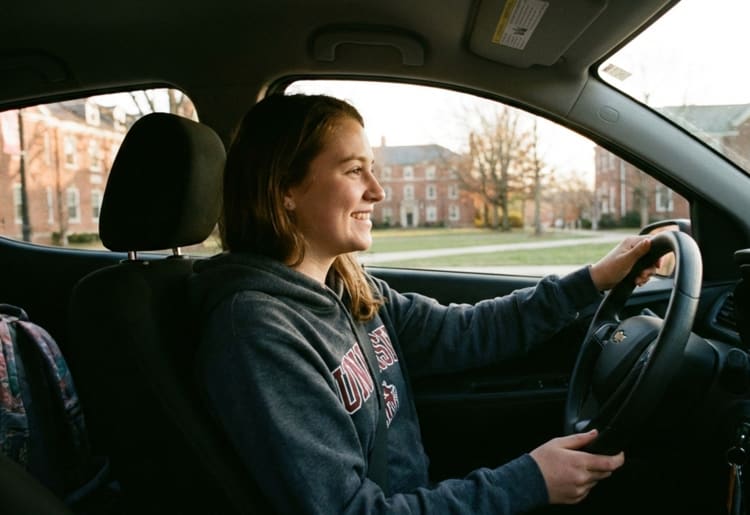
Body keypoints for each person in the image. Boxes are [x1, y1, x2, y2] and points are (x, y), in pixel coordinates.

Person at [189, 93, 657, 514]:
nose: (378, 190)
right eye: (354, 170)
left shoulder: (349, 287)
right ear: (285, 190)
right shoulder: (256, 330)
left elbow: (467, 331)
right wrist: (527, 482)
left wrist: (594, 280)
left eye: (372, 167)